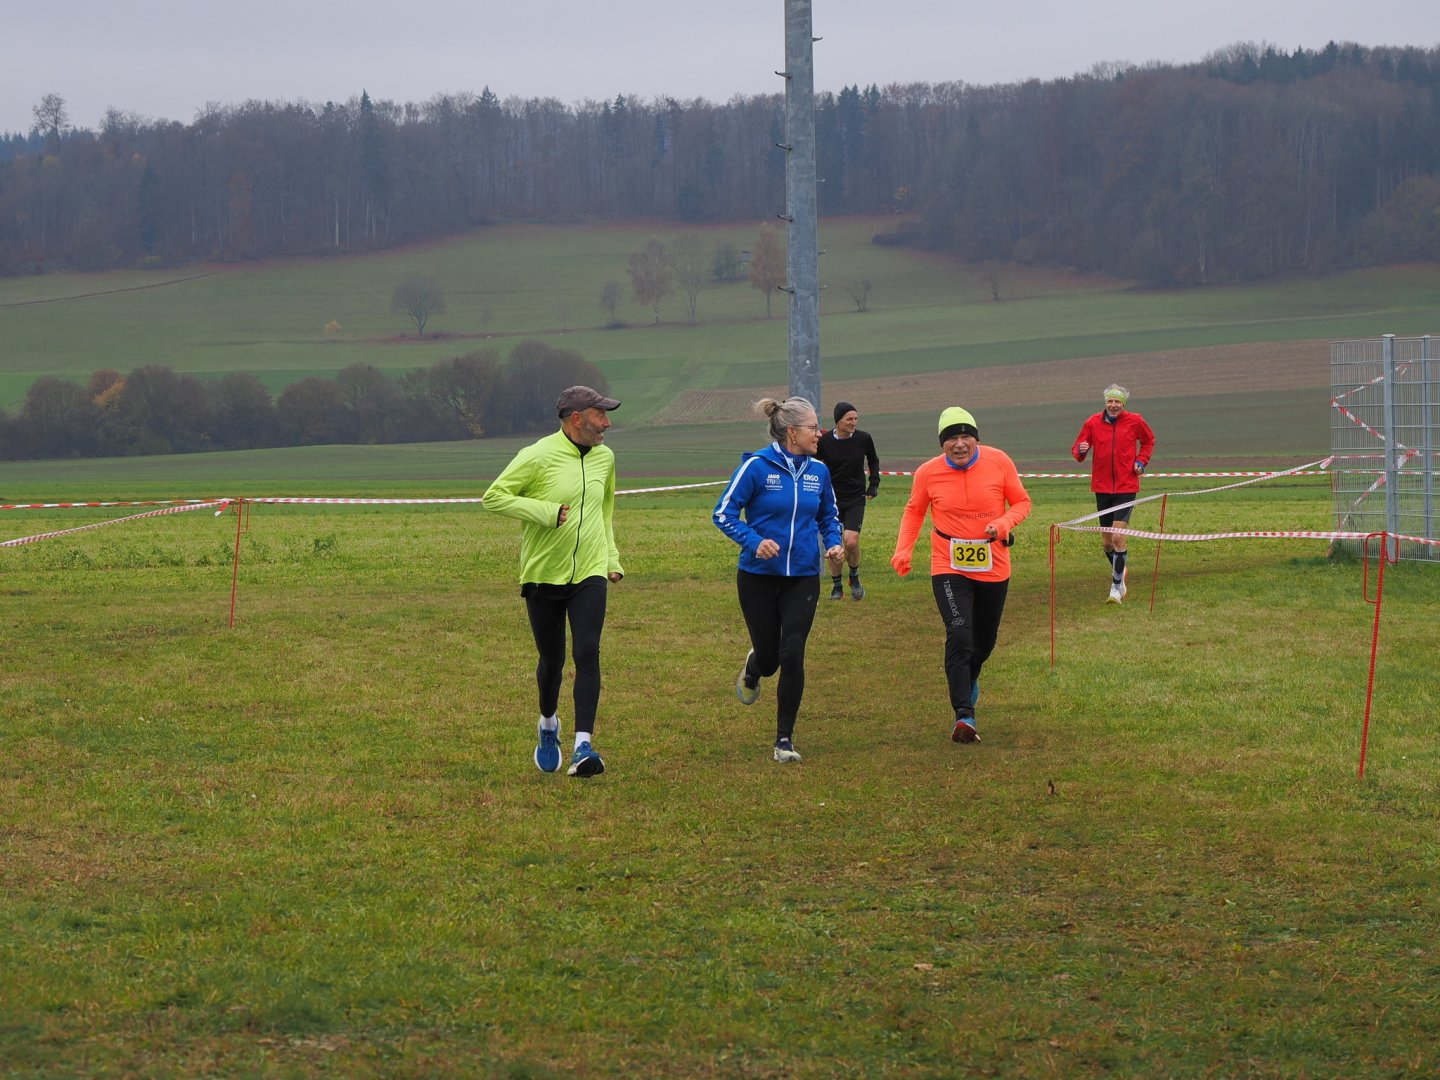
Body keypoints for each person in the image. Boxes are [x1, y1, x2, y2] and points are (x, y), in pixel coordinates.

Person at [482, 385, 625, 778]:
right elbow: (494, 497)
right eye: (600, 416)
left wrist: (611, 558)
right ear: (577, 419)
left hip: (590, 570)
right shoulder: (537, 455)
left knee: (588, 651)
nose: (607, 424)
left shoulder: (605, 458)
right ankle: (548, 724)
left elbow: (605, 511)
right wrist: (544, 512)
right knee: (552, 662)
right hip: (544, 572)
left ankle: (583, 748)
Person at [713, 397, 844, 763]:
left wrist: (834, 543)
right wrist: (754, 541)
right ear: (791, 433)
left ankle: (784, 740)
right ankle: (754, 668)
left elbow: (828, 516)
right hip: (757, 577)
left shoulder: (819, 471)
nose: (819, 434)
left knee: (793, 653)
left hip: (803, 576)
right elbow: (723, 513)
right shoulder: (756, 467)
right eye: (812, 428)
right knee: (771, 659)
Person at [891, 406, 1031, 744]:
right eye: (951, 438)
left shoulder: (999, 461)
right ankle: (964, 714)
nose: (959, 444)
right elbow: (914, 511)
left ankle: (968, 678)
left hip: (993, 564)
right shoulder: (928, 473)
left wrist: (1004, 523)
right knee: (958, 633)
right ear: (942, 443)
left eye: (966, 436)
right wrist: (903, 550)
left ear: (976, 439)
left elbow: (1022, 503)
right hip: (948, 564)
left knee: (983, 642)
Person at [1071, 384, 1156, 604]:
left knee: (1118, 537)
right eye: (1110, 401)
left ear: (1123, 404)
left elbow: (1148, 441)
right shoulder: (1092, 422)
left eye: (1117, 401)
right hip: (1102, 487)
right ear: (1105, 403)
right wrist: (1081, 451)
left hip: (1126, 486)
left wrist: (1141, 461)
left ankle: (1116, 587)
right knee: (1108, 542)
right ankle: (1121, 569)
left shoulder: (1135, 421)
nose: (1113, 405)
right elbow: (1078, 448)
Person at [816, 401, 881, 601]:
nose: (854, 422)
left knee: (851, 541)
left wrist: (874, 484)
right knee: (833, 544)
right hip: (832, 499)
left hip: (855, 497)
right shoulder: (825, 441)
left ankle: (854, 576)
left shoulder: (863, 438)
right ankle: (837, 587)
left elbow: (873, 460)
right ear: (838, 421)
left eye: (856, 418)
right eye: (849, 419)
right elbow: (815, 465)